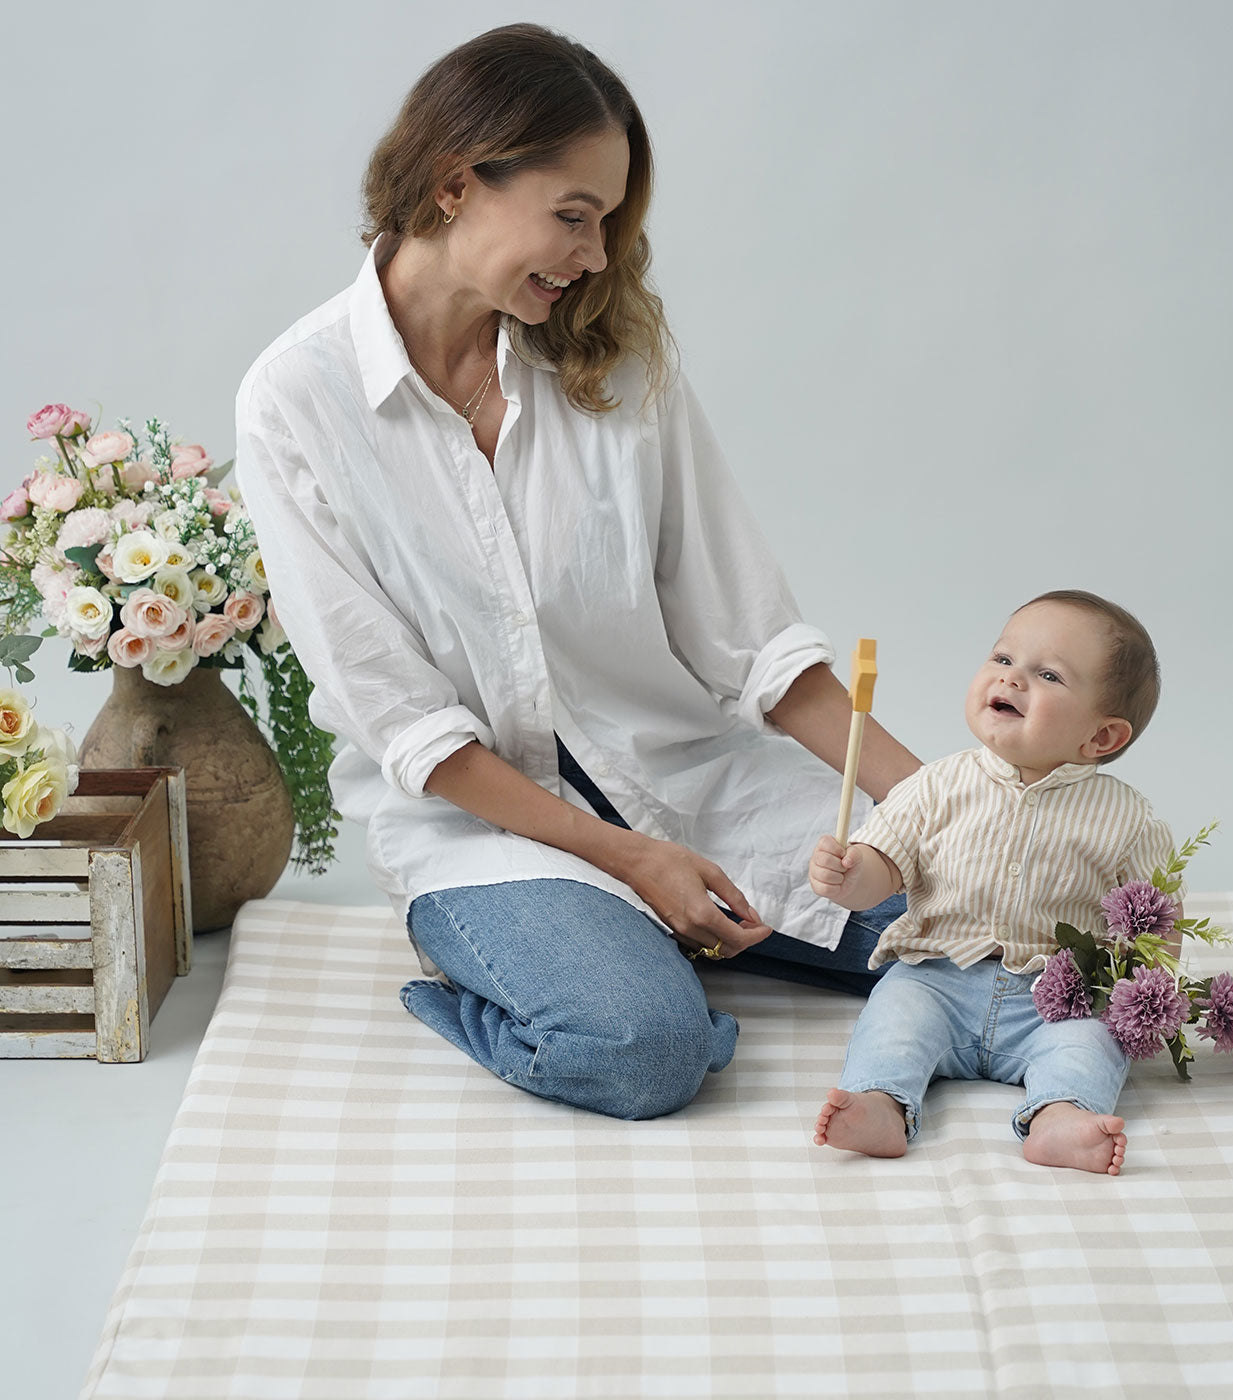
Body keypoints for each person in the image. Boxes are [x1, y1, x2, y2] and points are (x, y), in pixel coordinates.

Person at [234, 24, 921, 1121]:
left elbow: (753, 644)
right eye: (573, 215)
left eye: (607, 222)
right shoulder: (293, 401)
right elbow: (408, 726)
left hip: (687, 777)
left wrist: (950, 804)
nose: (597, 257)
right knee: (642, 1050)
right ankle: (594, 975)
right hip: (483, 834)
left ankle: (679, 941)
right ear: (457, 184)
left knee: (991, 932)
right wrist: (630, 861)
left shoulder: (618, 358)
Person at [808, 590, 1174, 1175]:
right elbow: (882, 871)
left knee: (1091, 1044)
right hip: (937, 979)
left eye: (1048, 674)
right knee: (893, 1015)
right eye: (1003, 659)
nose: (1013, 679)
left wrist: (1147, 995)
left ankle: (1061, 1119)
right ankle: (881, 1103)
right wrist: (849, 876)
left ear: (1102, 738)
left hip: (1057, 999)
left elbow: (1157, 922)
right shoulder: (937, 785)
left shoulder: (1129, 820)